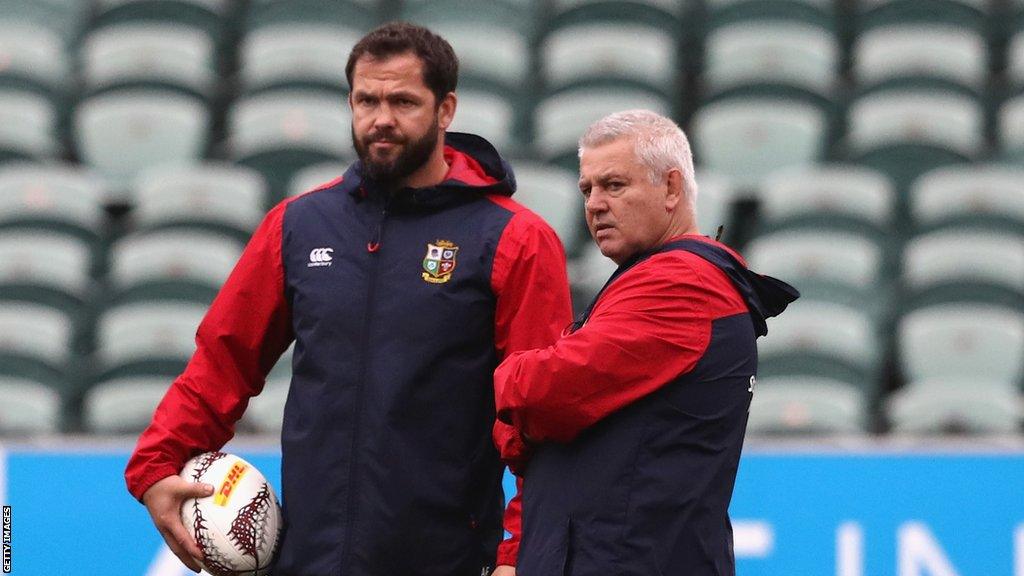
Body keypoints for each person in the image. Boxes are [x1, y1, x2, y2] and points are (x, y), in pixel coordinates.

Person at [125, 22, 572, 576]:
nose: (381, 117)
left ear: (446, 109)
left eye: (403, 100)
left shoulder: (514, 240)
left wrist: (518, 554)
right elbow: (224, 359)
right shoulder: (298, 225)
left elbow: (545, 420)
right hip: (310, 558)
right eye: (367, 100)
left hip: (448, 560)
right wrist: (155, 465)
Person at [493, 110, 798, 576]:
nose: (594, 204)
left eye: (614, 185)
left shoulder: (681, 283)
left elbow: (541, 389)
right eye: (587, 190)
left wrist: (504, 376)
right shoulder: (658, 276)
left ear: (672, 188)